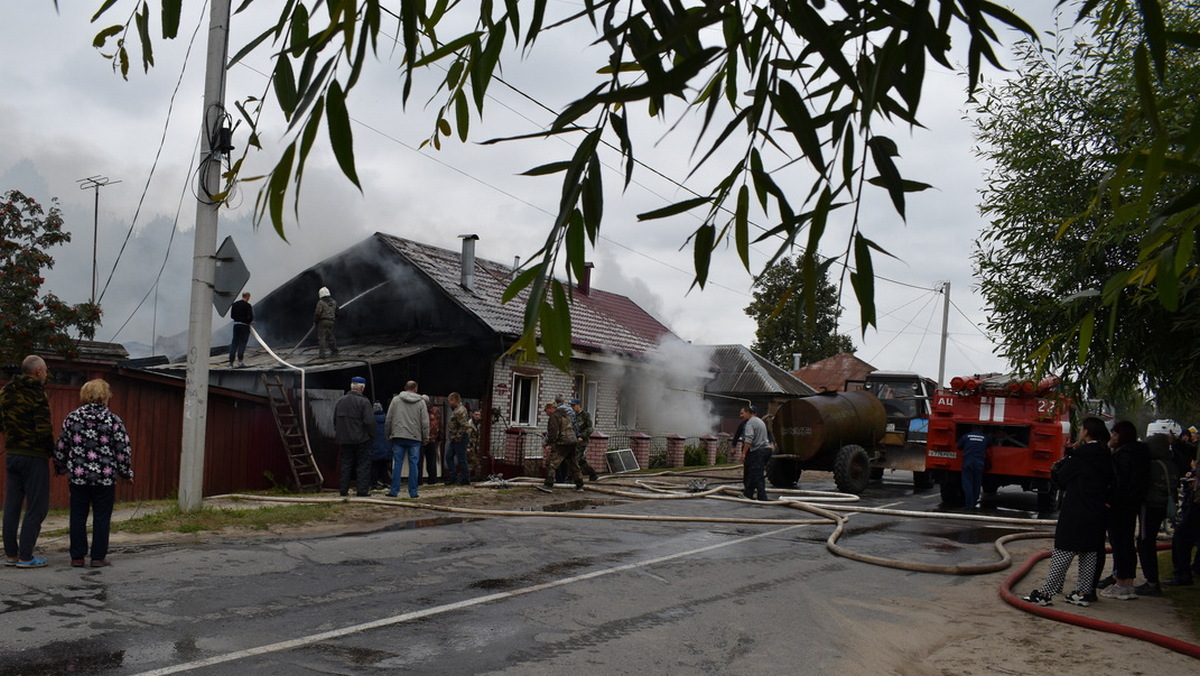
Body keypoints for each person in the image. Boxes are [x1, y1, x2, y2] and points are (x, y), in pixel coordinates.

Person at [1023, 417, 1115, 607]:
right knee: (1089, 552)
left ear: (1087, 432)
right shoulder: (1107, 455)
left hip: (1076, 508)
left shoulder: (1081, 456)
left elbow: (1063, 479)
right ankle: (1083, 592)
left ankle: (1046, 592)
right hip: (1096, 510)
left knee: (1063, 550)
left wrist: (1059, 466)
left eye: (1082, 428)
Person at [53, 378, 134, 568]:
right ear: (105, 396)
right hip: (104, 478)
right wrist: (126, 473)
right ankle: (98, 557)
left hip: (79, 476)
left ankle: (77, 557)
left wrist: (60, 467)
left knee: (78, 515)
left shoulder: (72, 418)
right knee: (101, 516)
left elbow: (62, 446)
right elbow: (122, 449)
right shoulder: (113, 420)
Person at [1, 355, 55, 568]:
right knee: (37, 506)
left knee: (12, 506)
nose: (46, 374)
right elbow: (44, 429)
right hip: (34, 455)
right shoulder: (36, 393)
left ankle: (11, 555)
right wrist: (51, 452)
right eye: (45, 370)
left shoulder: (5, 392)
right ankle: (26, 556)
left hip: (12, 454)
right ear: (38, 371)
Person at [1096, 420, 1150, 600]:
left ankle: (1121, 583)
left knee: (1119, 543)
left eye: (1114, 435)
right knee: (1126, 543)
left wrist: (1109, 500)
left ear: (1120, 436)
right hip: (1132, 504)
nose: (1112, 438)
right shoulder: (1141, 452)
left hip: (1120, 505)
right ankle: (1128, 583)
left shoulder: (1123, 455)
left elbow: (1118, 481)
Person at [1134, 433, 1178, 595]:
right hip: (1163, 506)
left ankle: (1152, 582)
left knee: (1145, 541)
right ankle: (1152, 581)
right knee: (1148, 539)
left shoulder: (1152, 466)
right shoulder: (1171, 464)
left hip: (1150, 506)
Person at [385, 381, 429, 498]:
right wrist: (425, 438)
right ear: (416, 389)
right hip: (414, 438)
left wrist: (388, 434)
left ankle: (394, 491)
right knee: (413, 464)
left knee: (397, 463)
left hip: (398, 435)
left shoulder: (396, 400)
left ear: (405, 388)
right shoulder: (421, 402)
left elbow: (389, 418)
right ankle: (413, 492)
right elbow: (425, 422)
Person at [334, 376, 375, 497]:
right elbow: (369, 422)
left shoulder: (340, 401)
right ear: (362, 388)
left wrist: (340, 433)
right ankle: (362, 490)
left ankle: (343, 490)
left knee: (346, 464)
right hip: (361, 439)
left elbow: (335, 420)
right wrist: (372, 436)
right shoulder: (364, 402)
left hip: (344, 439)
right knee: (363, 464)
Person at [1163, 455, 1200, 587]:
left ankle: (1182, 575)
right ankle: (1193, 570)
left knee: (1181, 536)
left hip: (1197, 501)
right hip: (1195, 499)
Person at [539, 401, 582, 493]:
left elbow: (553, 433)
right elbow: (574, 427)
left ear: (550, 408)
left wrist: (547, 443)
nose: (546, 413)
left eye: (546, 411)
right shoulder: (566, 414)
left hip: (563, 442)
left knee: (551, 463)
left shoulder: (554, 416)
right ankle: (579, 485)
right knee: (573, 464)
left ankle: (548, 485)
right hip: (572, 440)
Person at [740, 405, 772, 501]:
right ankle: (748, 494)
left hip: (759, 451)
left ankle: (762, 498)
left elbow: (749, 440)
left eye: (743, 413)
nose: (741, 415)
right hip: (766, 450)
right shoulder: (760, 421)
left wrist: (743, 453)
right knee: (753, 474)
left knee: (757, 475)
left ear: (748, 413)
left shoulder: (750, 423)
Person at [957, 425, 989, 509]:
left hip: (968, 462)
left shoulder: (966, 436)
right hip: (979, 463)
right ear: (981, 429)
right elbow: (989, 444)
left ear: (972, 429)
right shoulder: (984, 437)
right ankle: (974, 502)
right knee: (977, 483)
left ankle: (969, 505)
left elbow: (959, 447)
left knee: (967, 484)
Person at [570, 399, 600, 482]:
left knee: (575, 459)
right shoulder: (572, 415)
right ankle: (592, 474)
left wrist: (582, 436)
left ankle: (572, 478)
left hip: (582, 441)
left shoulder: (585, 415)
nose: (572, 408)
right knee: (581, 460)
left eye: (573, 406)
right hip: (573, 440)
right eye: (571, 406)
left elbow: (590, 428)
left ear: (579, 405)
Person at [445, 392, 471, 485]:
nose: (449, 403)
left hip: (460, 438)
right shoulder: (456, 410)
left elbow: (464, 425)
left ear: (454, 400)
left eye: (450, 401)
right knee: (449, 457)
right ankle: (453, 476)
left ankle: (465, 478)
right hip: (454, 438)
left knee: (461, 458)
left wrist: (458, 437)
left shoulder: (460, 410)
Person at [228, 291, 254, 368]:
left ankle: (231, 363)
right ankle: (240, 362)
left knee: (234, 343)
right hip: (244, 326)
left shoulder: (235, 304)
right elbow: (250, 317)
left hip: (236, 326)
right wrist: (249, 322)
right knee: (242, 343)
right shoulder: (248, 305)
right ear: (248, 297)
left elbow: (232, 316)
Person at [421, 396, 442, 485]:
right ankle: (432, 480)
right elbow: (439, 424)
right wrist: (439, 435)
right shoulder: (435, 410)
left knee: (419, 460)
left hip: (422, 438)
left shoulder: (420, 409)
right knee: (431, 460)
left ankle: (419, 480)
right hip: (432, 438)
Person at [370, 402, 391, 489]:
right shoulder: (387, 418)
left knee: (374, 467)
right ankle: (386, 483)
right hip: (386, 447)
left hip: (374, 447)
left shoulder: (371, 420)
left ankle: (374, 485)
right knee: (384, 467)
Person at [314, 286, 338, 359]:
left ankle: (322, 355)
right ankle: (334, 351)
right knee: (330, 336)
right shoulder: (334, 302)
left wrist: (316, 321)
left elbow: (317, 313)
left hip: (323, 322)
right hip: (331, 321)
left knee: (322, 338)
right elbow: (337, 311)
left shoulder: (320, 302)